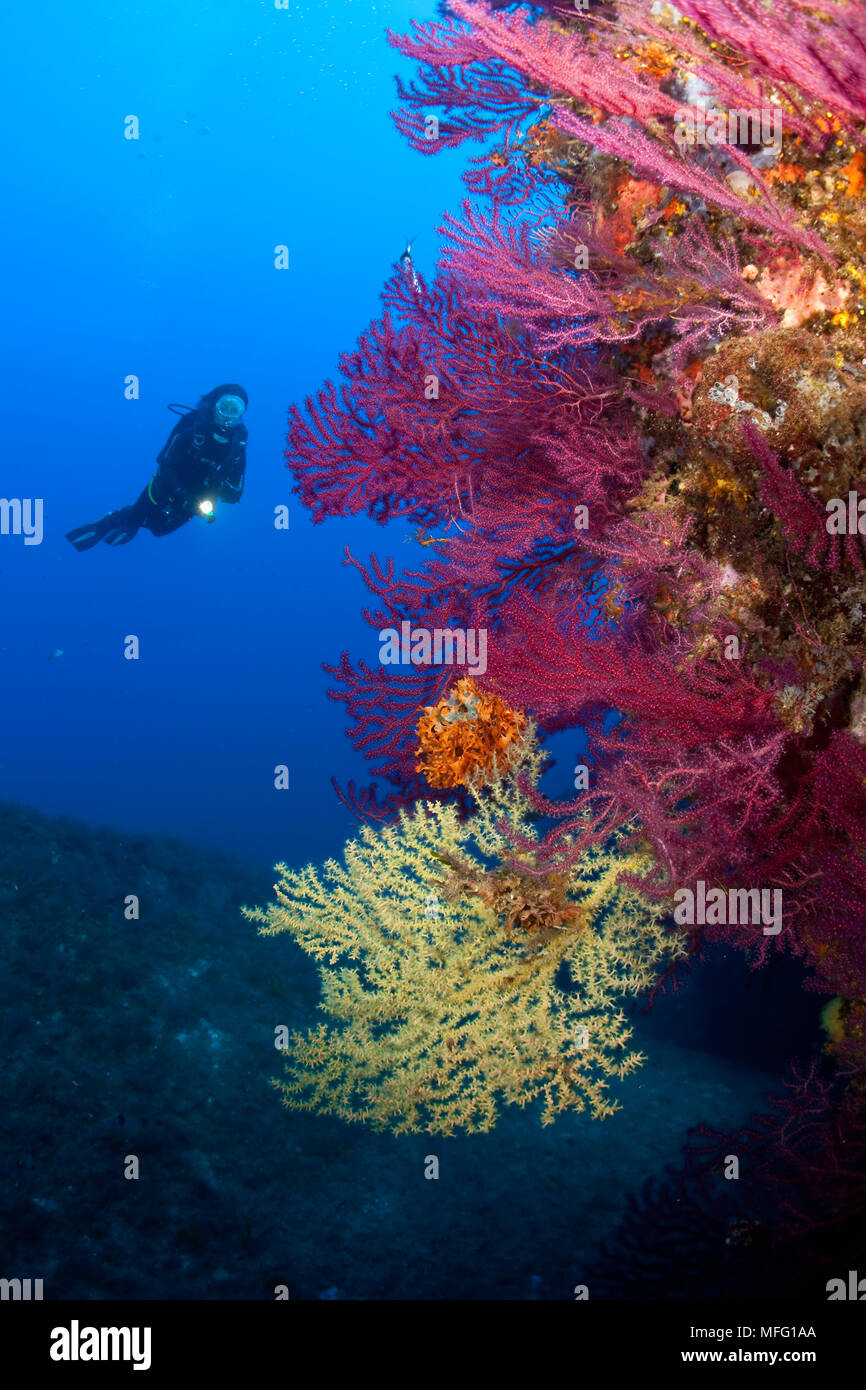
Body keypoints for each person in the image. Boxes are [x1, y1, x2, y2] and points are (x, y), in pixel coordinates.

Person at [66, 383, 248, 550]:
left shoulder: (237, 447)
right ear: (214, 406)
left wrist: (216, 483)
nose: (227, 416)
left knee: (159, 530)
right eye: (224, 407)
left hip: (198, 502)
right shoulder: (193, 431)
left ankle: (134, 523)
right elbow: (165, 465)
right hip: (166, 487)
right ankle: (112, 521)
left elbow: (235, 494)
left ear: (240, 415)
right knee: (138, 515)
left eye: (235, 410)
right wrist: (182, 495)